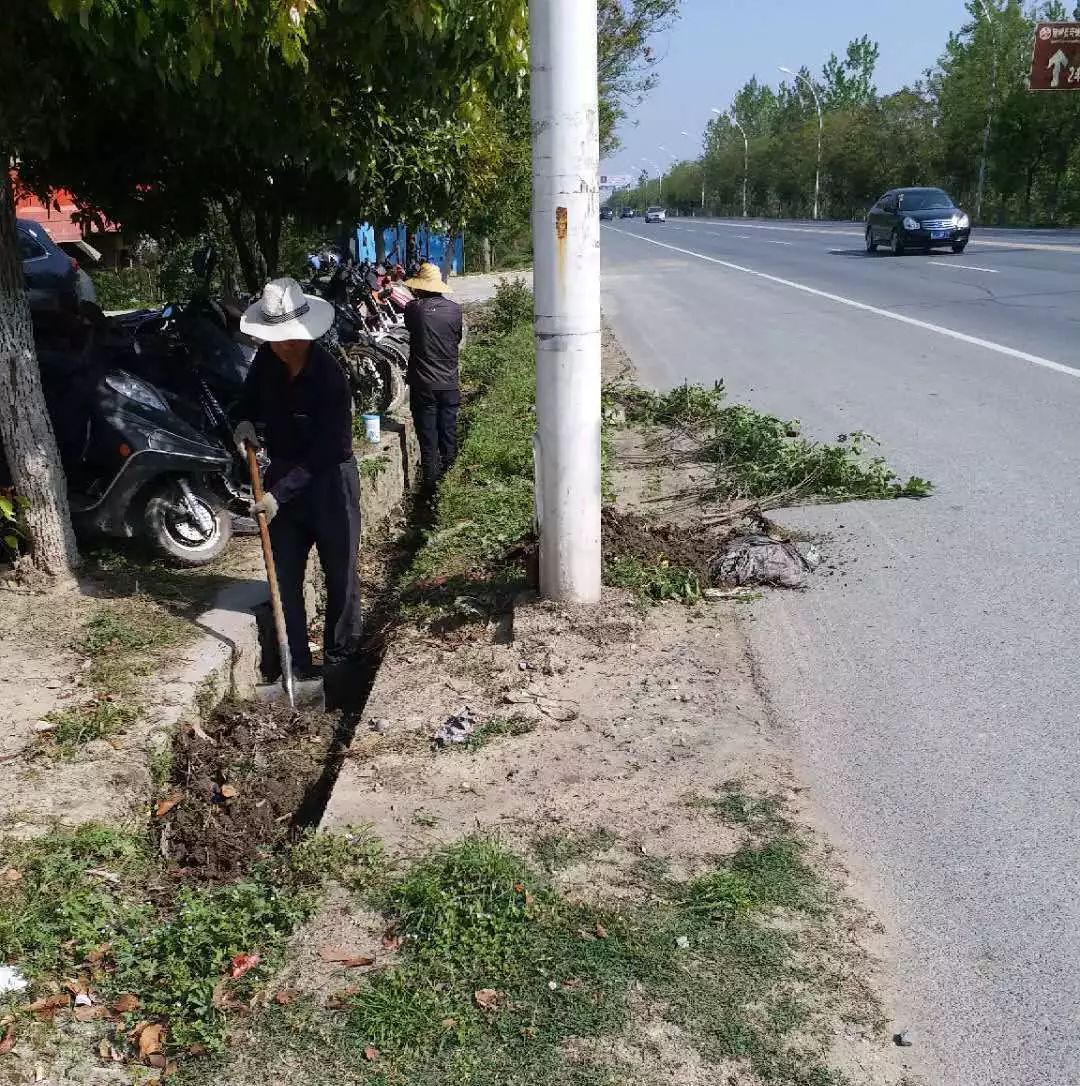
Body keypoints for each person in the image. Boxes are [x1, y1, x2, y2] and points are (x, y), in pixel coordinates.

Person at [233, 277, 362, 680]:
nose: (283, 345)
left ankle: (341, 662)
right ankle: (295, 663)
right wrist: (243, 422)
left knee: (340, 573)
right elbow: (247, 402)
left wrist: (279, 494)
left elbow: (330, 449)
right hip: (283, 476)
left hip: (330, 481)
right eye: (276, 339)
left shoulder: (329, 378)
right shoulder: (266, 362)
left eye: (290, 338)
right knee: (284, 575)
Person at [402, 262, 462, 489]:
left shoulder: (413, 309)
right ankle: (450, 485)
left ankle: (430, 487)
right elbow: (456, 338)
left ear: (420, 286)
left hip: (423, 384)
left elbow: (411, 328)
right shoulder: (455, 309)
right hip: (449, 382)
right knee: (448, 433)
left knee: (428, 440)